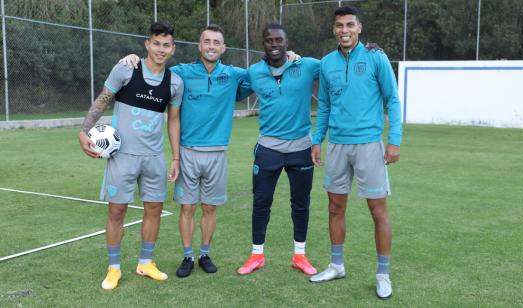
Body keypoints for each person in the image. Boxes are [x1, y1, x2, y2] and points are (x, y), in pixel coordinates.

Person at [120, 24, 301, 278]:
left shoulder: (235, 75)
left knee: (209, 208)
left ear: (223, 47)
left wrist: (289, 56)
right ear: (199, 45)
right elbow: (155, 68)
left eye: (217, 42)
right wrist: (133, 60)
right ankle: (187, 256)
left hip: (217, 153)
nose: (212, 46)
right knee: (187, 208)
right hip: (187, 152)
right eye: (207, 41)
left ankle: (204, 253)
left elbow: (266, 70)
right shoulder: (181, 73)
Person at [78, 21, 183, 290]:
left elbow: (173, 121)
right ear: (147, 44)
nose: (161, 49)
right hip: (122, 156)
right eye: (156, 43)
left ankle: (145, 263)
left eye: (166, 45)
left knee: (154, 209)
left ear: (173, 49)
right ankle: (114, 268)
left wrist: (175, 157)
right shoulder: (125, 69)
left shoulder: (174, 83)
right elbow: (103, 99)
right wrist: (84, 131)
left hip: (154, 158)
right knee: (117, 210)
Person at [308, 6, 402, 300]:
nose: (344, 30)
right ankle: (337, 265)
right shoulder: (326, 63)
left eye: (350, 24)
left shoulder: (376, 57)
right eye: (339, 25)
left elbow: (393, 99)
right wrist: (316, 139)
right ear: (334, 29)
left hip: (369, 144)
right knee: (335, 208)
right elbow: (323, 105)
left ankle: (382, 274)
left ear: (359, 28)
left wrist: (394, 140)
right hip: (337, 145)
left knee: (378, 211)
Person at [236, 24, 319, 276]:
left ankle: (300, 256)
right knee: (261, 202)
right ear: (263, 43)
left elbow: (338, 63)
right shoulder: (255, 72)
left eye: (279, 40)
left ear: (286, 42)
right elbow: (231, 89)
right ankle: (257, 256)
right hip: (268, 148)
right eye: (269, 40)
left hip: (301, 148)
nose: (274, 44)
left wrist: (370, 50)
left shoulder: (306, 65)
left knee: (301, 203)